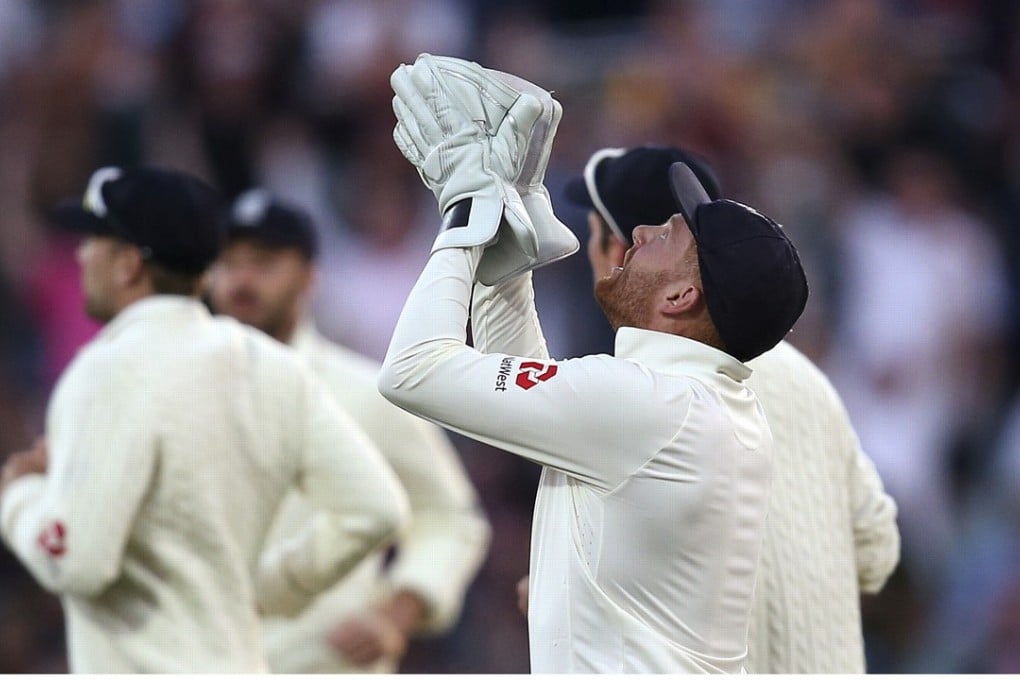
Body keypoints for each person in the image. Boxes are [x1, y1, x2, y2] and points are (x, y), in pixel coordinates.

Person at [379, 56, 808, 673]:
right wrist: (511, 252)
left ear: (682, 297)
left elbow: (411, 370)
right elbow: (536, 407)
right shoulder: (693, 404)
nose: (641, 231)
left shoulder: (652, 405)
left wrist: (465, 210)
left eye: (670, 236)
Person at [0, 166, 410, 673]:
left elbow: (78, 561)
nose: (82, 256)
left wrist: (22, 498)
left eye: (93, 241)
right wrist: (275, 588)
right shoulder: (272, 365)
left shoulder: (105, 370)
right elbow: (377, 507)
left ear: (128, 265)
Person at [561, 144, 901, 673]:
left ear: (626, 250)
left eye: (594, 233)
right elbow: (878, 550)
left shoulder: (638, 391)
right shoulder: (809, 380)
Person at [206, 189, 492, 673]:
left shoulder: (366, 393)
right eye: (228, 263)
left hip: (322, 662)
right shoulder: (183, 390)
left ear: (309, 276)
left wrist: (396, 611)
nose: (242, 280)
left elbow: (450, 516)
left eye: (264, 262)